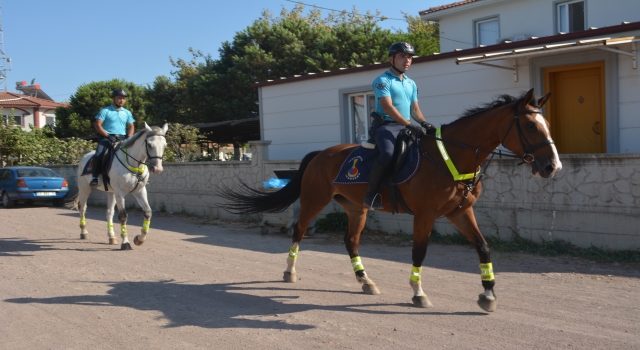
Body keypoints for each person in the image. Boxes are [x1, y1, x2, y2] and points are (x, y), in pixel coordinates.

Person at [364, 42, 433, 210]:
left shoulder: (411, 83)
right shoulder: (382, 81)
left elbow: (414, 109)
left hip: (406, 127)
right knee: (387, 153)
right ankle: (370, 195)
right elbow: (388, 107)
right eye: (402, 56)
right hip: (387, 127)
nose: (407, 60)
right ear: (391, 59)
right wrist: (409, 124)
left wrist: (424, 123)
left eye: (409, 57)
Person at [89, 88, 135, 189]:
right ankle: (95, 177)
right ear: (113, 98)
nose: (121, 100)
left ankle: (139, 176)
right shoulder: (105, 111)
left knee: (135, 153)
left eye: (123, 98)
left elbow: (131, 126)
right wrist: (107, 136)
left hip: (122, 138)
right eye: (119, 98)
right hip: (107, 138)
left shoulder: (127, 113)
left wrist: (130, 137)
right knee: (98, 155)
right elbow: (97, 125)